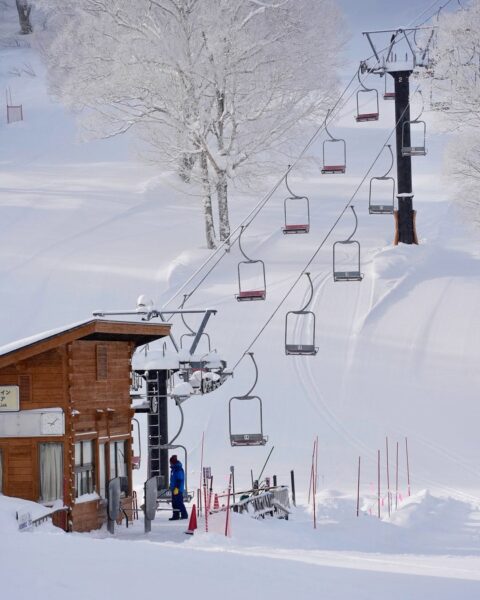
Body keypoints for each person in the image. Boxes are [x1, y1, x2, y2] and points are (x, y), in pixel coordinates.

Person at [169, 455, 188, 520]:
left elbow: (179, 479)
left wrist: (176, 488)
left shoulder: (178, 469)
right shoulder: (174, 469)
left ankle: (184, 515)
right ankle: (176, 515)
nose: (170, 463)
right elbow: (173, 479)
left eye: (170, 462)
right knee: (174, 503)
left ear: (173, 462)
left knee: (179, 502)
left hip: (178, 489)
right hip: (174, 489)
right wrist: (171, 486)